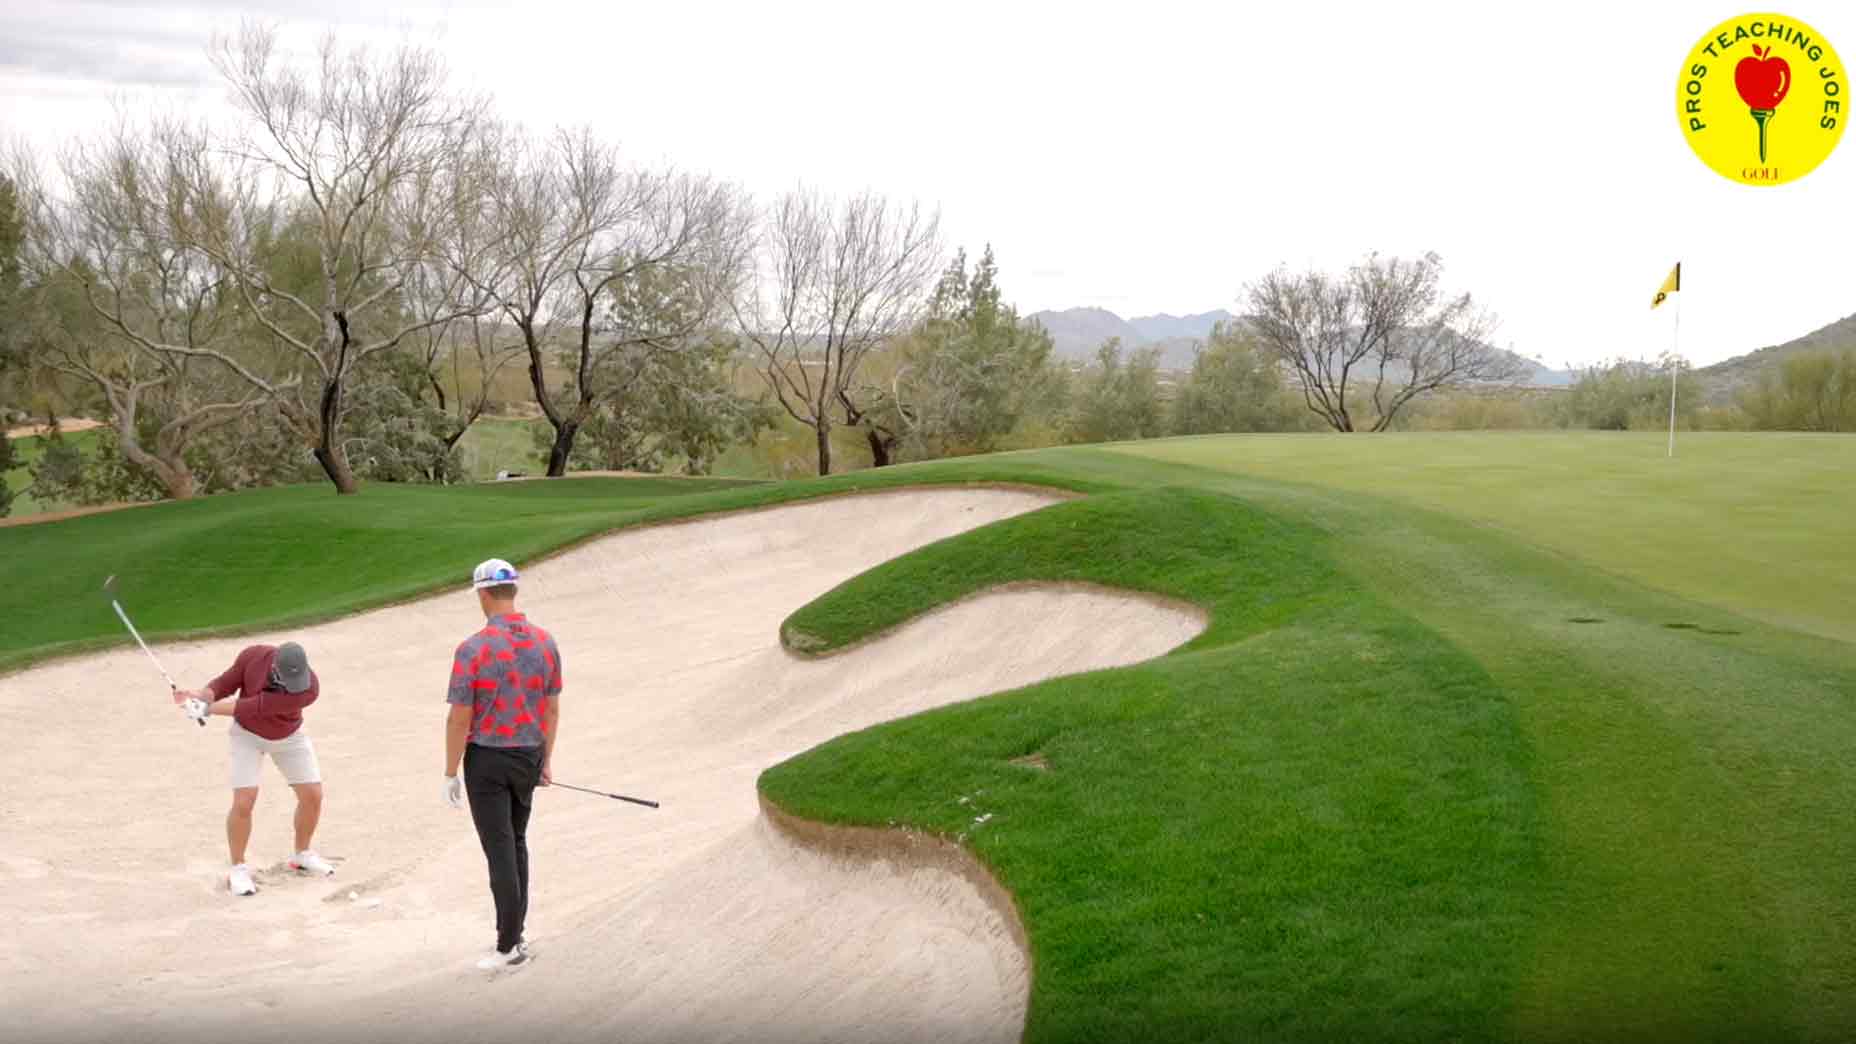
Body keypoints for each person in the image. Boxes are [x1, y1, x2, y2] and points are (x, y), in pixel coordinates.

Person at [444, 558, 562, 971]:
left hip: (488, 759)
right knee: (516, 842)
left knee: (500, 850)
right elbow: (551, 710)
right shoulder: (546, 642)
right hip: (529, 753)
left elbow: (460, 716)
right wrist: (545, 759)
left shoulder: (472, 649)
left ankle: (509, 945)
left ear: (483, 594)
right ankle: (517, 933)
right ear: (513, 591)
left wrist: (449, 770)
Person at [172, 641, 333, 896]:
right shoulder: (255, 656)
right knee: (244, 801)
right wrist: (201, 697)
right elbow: (226, 682)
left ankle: (302, 854)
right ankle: (238, 868)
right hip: (246, 736)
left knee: (312, 796)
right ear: (275, 668)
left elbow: (252, 706)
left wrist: (205, 709)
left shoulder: (309, 689)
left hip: (289, 737)